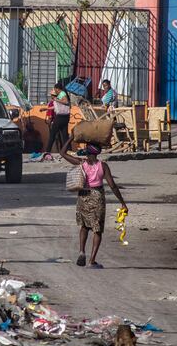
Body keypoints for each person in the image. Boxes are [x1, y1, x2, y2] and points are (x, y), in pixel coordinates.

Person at [59, 137, 128, 268]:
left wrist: (71, 138)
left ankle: (81, 252)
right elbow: (112, 185)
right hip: (97, 197)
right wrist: (122, 202)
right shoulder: (103, 166)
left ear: (87, 151)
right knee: (97, 230)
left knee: (84, 226)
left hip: (83, 196)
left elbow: (62, 153)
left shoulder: (81, 163)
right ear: (98, 152)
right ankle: (92, 261)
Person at [44, 82, 71, 153]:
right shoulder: (62, 94)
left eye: (55, 89)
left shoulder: (62, 93)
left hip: (60, 117)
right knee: (65, 135)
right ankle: (67, 150)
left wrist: (55, 99)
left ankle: (48, 151)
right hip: (65, 117)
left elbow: (66, 101)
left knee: (52, 134)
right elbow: (58, 106)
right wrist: (46, 109)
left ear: (57, 89)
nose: (54, 91)